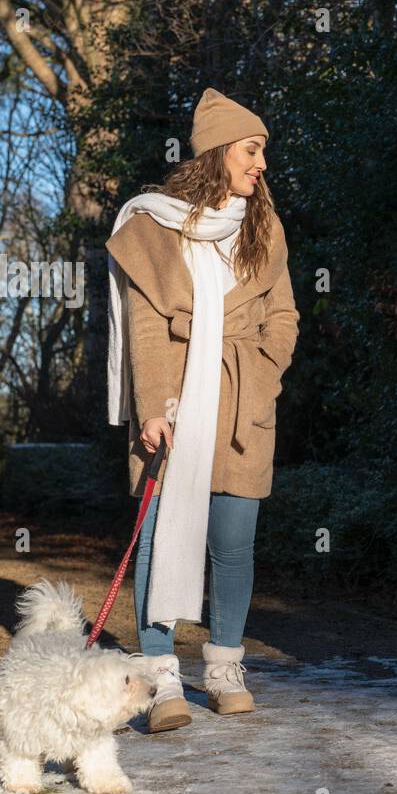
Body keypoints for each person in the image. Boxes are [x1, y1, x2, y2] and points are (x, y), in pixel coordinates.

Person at [105, 87, 298, 732]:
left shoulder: (264, 231)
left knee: (235, 542)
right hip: (176, 404)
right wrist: (156, 405)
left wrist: (265, 377)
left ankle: (222, 665)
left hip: (245, 402)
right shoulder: (154, 226)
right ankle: (160, 677)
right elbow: (145, 326)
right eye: (252, 149)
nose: (262, 163)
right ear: (218, 153)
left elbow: (286, 316)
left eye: (263, 150)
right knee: (160, 540)